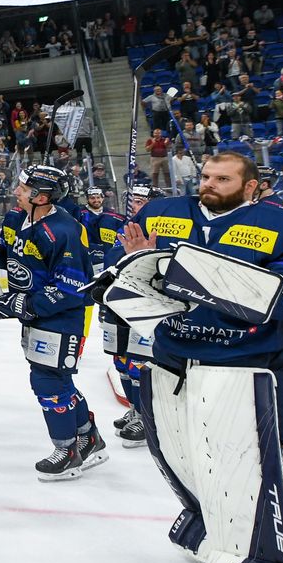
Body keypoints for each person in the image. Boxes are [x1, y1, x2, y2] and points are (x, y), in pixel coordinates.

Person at [115, 151, 283, 563]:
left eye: (223, 178)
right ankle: (211, 528)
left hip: (249, 364)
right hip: (174, 360)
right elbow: (123, 274)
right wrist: (137, 267)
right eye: (206, 176)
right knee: (180, 456)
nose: (209, 183)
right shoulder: (162, 213)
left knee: (240, 468)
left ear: (251, 186)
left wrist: (210, 280)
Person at [0, 164, 105, 480]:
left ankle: (68, 451)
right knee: (59, 380)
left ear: (41, 197)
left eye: (23, 188)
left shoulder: (62, 230)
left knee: (47, 381)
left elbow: (70, 286)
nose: (16, 191)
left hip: (61, 320)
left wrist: (23, 304)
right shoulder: (28, 221)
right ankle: (88, 436)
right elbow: (24, 261)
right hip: (41, 318)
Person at [95, 184, 155, 446]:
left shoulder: (158, 232)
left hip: (142, 309)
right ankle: (134, 408)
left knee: (140, 364)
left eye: (141, 201)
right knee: (121, 361)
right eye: (134, 200)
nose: (135, 205)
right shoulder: (124, 227)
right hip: (117, 306)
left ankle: (146, 416)